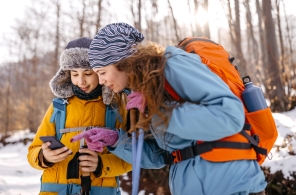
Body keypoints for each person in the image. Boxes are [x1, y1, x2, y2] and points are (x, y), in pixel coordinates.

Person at [72, 23, 267, 195]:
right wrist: (115, 140)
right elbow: (163, 155)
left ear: (123, 62)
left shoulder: (171, 63)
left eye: (102, 72)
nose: (103, 81)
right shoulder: (144, 89)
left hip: (230, 184)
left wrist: (156, 109)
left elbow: (230, 115)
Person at [27, 37, 132, 195]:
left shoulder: (116, 109)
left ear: (99, 72)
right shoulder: (58, 107)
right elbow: (32, 152)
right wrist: (44, 156)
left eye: (88, 73)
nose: (81, 81)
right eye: (74, 74)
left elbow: (132, 156)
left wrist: (101, 164)